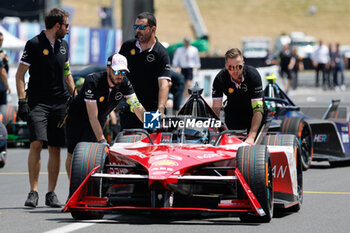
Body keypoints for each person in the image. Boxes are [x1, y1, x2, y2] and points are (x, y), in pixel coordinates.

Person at [15, 8, 75, 208]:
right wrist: (22, 101)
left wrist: (74, 96)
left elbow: (67, 74)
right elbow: (19, 75)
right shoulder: (33, 44)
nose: (68, 29)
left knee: (56, 147)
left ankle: (51, 193)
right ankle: (33, 192)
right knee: (36, 143)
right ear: (57, 25)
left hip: (60, 102)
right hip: (38, 102)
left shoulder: (64, 45)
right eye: (66, 25)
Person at [65, 53, 145, 178]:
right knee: (74, 153)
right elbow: (92, 116)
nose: (120, 76)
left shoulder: (125, 83)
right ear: (108, 69)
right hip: (78, 117)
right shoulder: (93, 81)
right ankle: (73, 187)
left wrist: (150, 122)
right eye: (117, 71)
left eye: (123, 72)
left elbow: (136, 106)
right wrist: (102, 140)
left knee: (91, 155)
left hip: (100, 116)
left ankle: (88, 185)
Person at [118, 12, 171, 129]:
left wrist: (160, 109)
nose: (138, 30)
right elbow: (117, 74)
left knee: (152, 145)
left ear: (153, 29)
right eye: (136, 27)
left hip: (151, 112)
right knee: (128, 145)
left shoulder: (161, 53)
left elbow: (164, 84)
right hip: (129, 109)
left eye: (141, 27)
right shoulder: (127, 47)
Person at [212, 48, 264, 145]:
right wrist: (213, 133)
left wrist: (251, 137)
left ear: (243, 64)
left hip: (253, 112)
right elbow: (215, 110)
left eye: (239, 67)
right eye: (231, 67)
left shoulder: (253, 75)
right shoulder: (220, 78)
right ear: (226, 66)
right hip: (234, 111)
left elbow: (258, 109)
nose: (235, 71)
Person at [0, 32, 10, 115]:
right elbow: (2, 71)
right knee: (2, 114)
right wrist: (7, 86)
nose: (1, 42)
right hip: (2, 87)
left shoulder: (2, 52)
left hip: (2, 86)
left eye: (2, 40)